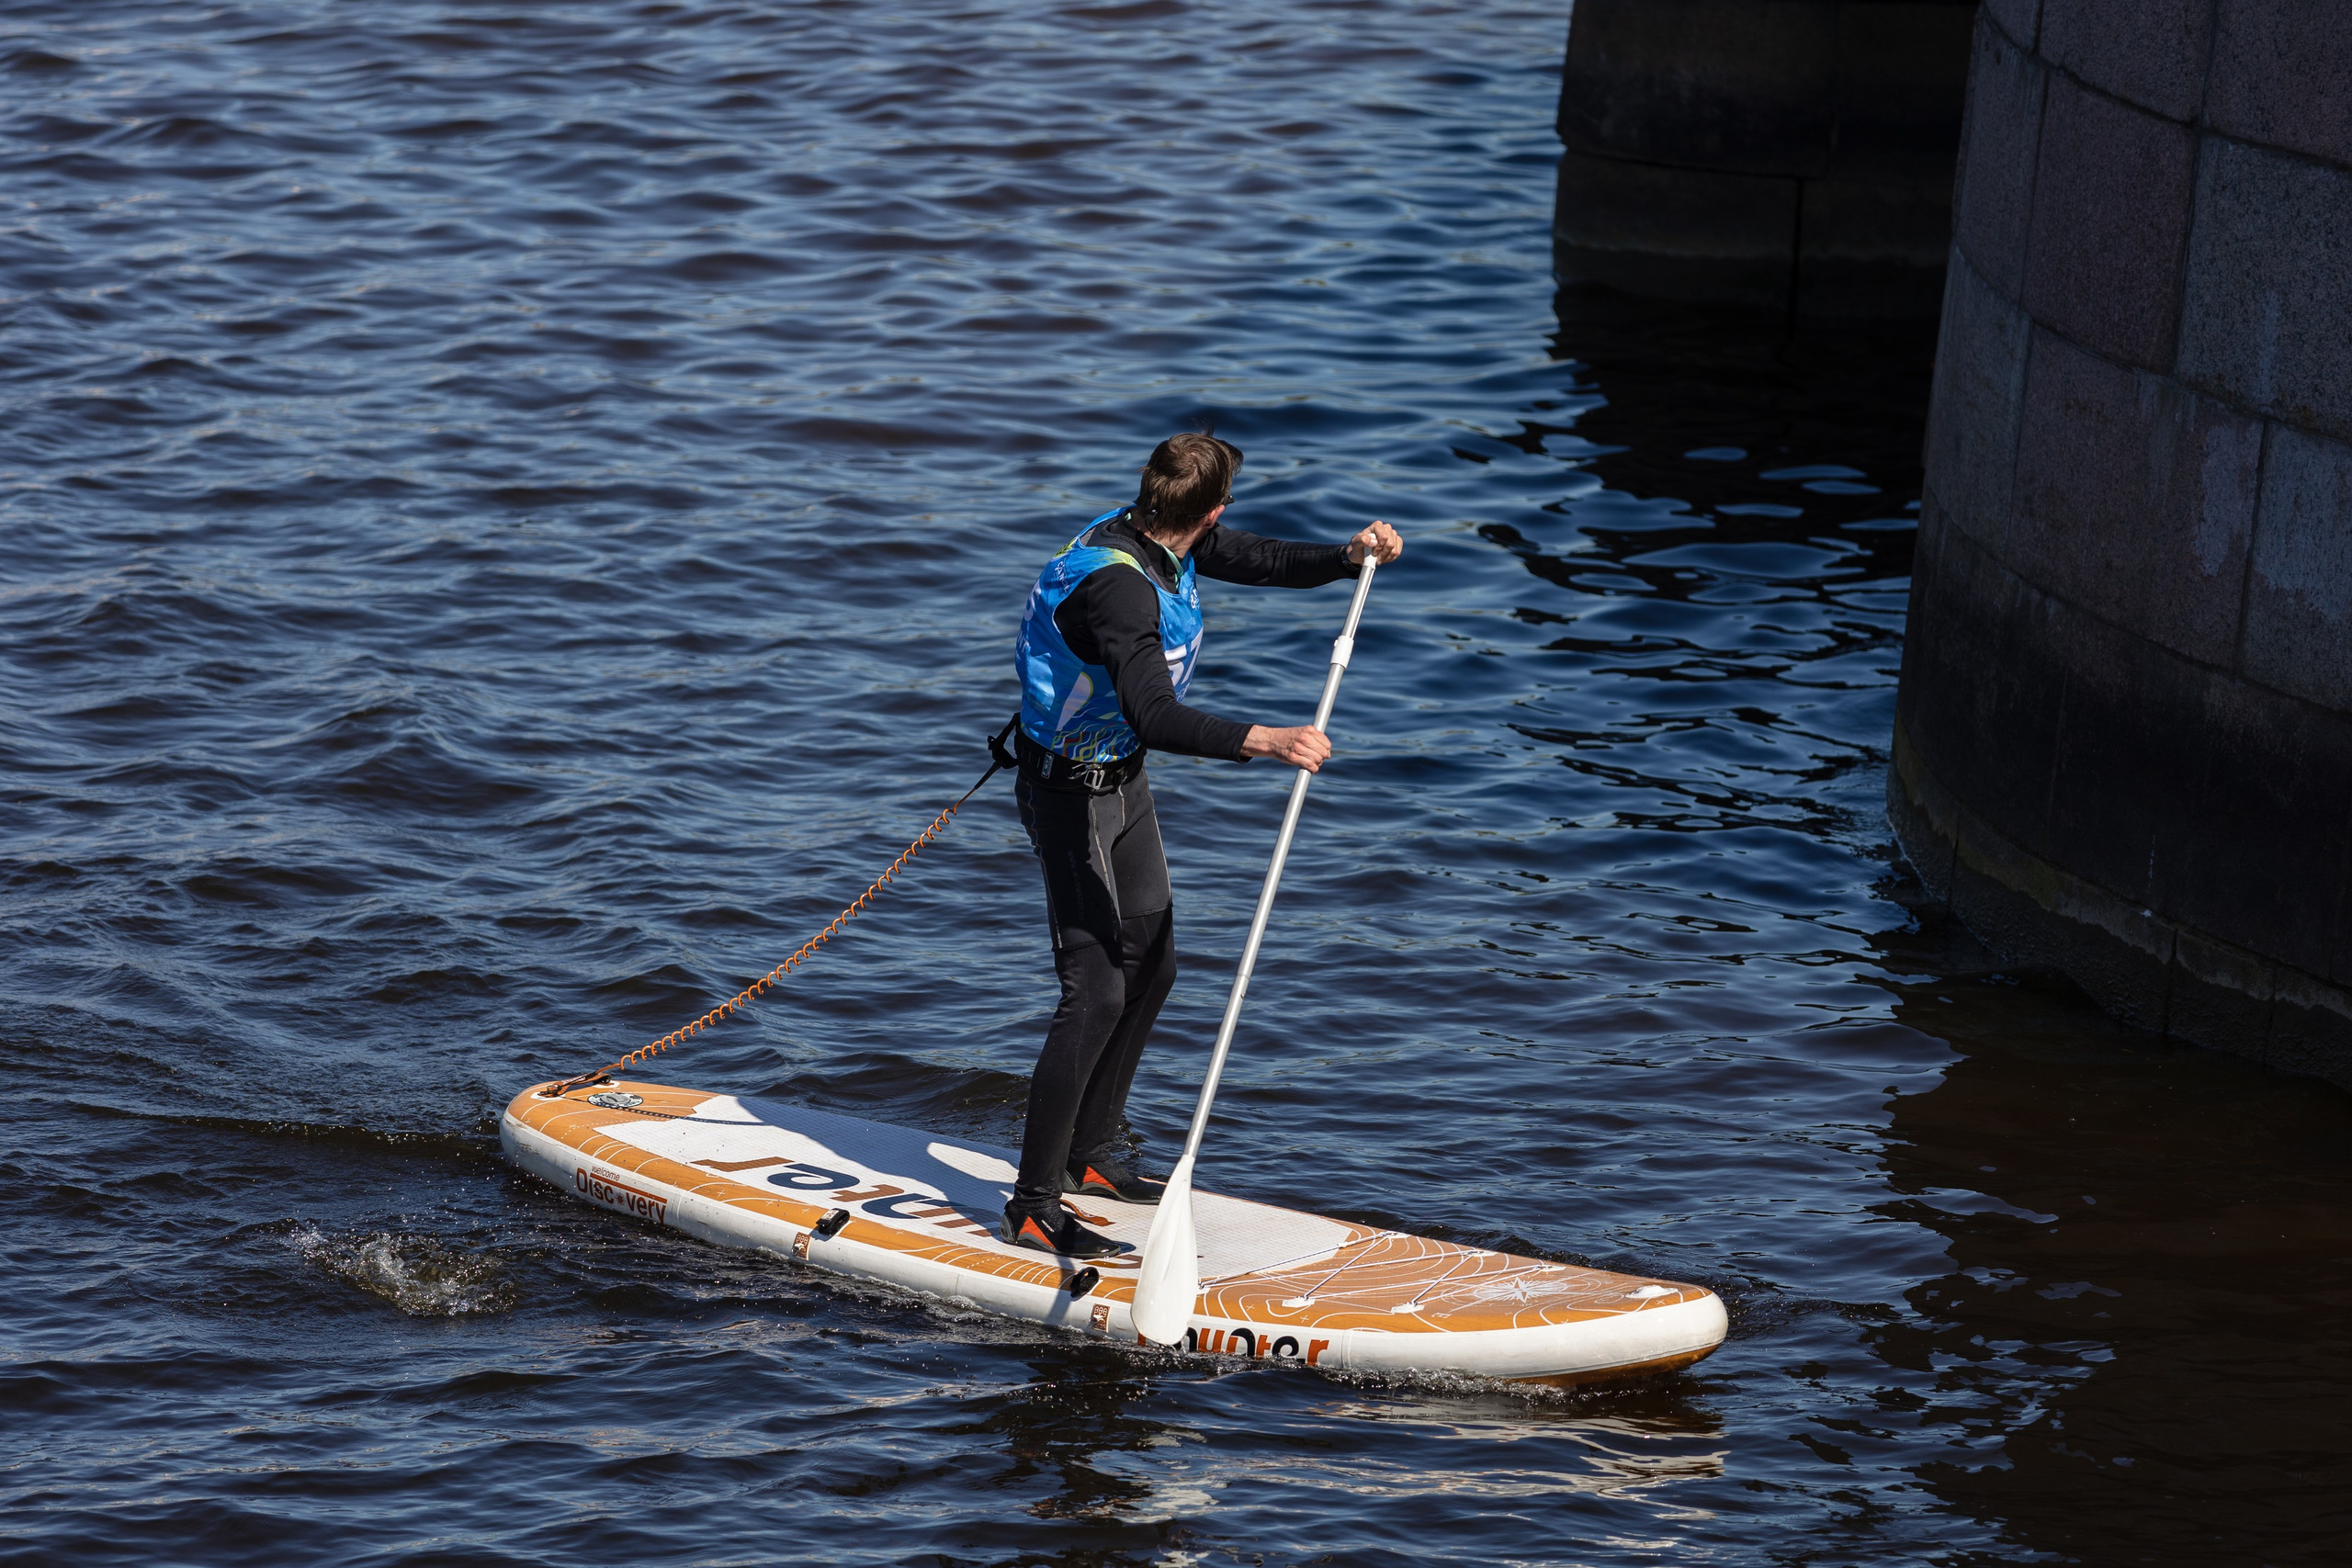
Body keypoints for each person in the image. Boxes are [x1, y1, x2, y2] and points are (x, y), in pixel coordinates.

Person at [1002, 433, 1404, 1257]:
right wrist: (1268, 738)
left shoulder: (1170, 536)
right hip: (1069, 800)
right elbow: (1152, 712)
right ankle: (1034, 1200)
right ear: (1206, 507)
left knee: (1154, 964)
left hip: (1121, 784)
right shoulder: (1119, 593)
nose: (1223, 531)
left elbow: (1254, 558)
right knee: (1097, 990)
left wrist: (1346, 555)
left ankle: (1091, 1155)